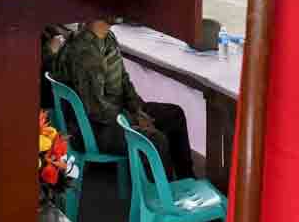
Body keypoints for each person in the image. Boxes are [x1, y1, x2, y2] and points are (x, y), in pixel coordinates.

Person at [52, 18, 195, 180]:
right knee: (154, 141)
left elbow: (123, 80)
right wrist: (132, 120)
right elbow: (96, 109)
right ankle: (161, 198)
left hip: (113, 114)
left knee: (174, 115)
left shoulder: (107, 37)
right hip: (93, 128)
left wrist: (137, 110)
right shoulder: (84, 52)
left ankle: (186, 180)